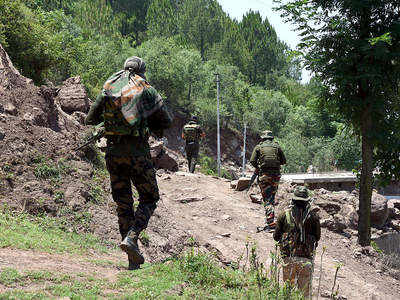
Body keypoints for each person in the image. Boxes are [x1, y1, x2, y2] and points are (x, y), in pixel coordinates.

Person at [85, 56, 173, 270]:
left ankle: (132, 257)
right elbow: (166, 122)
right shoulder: (146, 89)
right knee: (150, 197)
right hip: (138, 154)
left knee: (123, 203)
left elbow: (90, 119)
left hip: (113, 153)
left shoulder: (109, 86)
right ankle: (132, 238)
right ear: (142, 70)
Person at [273, 186, 321, 298]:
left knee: (287, 292)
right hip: (306, 259)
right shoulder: (313, 216)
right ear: (307, 201)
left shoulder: (284, 214)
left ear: (293, 200)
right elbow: (317, 237)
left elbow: (276, 236)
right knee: (304, 294)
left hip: (288, 258)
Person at [250, 130, 286, 232]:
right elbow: (284, 161)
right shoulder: (277, 147)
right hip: (275, 176)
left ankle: (270, 223)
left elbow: (252, 161)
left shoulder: (258, 147)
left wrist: (259, 167)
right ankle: (271, 221)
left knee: (267, 199)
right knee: (271, 198)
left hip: (264, 176)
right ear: (271, 138)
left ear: (263, 138)